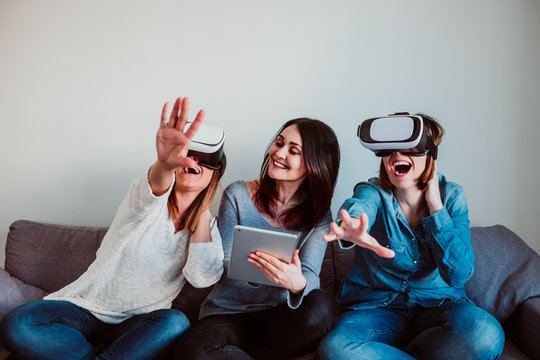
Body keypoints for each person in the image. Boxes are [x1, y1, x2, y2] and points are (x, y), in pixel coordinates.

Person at [0, 97, 227, 360]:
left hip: (139, 324)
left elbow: (201, 277)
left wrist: (202, 212)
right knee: (18, 324)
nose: (193, 162)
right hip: (82, 311)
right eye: (188, 153)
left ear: (217, 172)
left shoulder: (207, 226)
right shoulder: (147, 198)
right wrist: (164, 165)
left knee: (176, 323)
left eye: (205, 159)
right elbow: (155, 186)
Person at [318, 113, 505, 360]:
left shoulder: (452, 197)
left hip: (439, 306)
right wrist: (351, 226)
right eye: (390, 150)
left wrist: (436, 208)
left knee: (485, 334)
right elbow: (360, 207)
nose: (397, 156)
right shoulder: (372, 191)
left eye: (410, 148)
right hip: (376, 309)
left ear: (430, 154)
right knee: (336, 348)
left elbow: (459, 273)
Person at [174, 118, 341, 360]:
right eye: (279, 143)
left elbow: (311, 275)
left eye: (293, 151)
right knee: (192, 350)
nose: (279, 153)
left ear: (315, 165)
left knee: (324, 306)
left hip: (279, 316)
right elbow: (225, 260)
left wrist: (298, 284)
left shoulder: (320, 214)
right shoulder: (237, 194)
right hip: (227, 313)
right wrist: (261, 268)